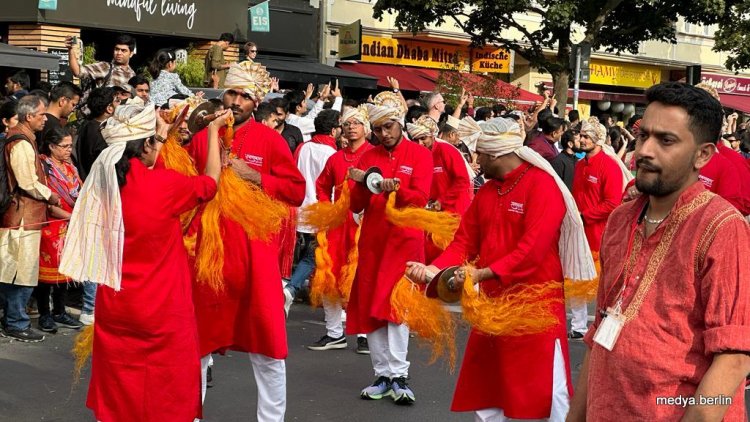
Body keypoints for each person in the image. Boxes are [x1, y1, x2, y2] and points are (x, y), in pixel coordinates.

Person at [567, 82, 750, 421]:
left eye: (666, 140)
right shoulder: (621, 218)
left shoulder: (722, 226)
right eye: (643, 136)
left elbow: (734, 357)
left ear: (703, 155)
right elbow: (601, 330)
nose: (644, 151)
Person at [407, 116, 596, 422]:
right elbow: (463, 244)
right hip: (492, 306)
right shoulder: (486, 191)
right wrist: (432, 269)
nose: (475, 160)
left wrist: (481, 274)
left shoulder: (543, 186)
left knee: (548, 393)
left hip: (536, 309)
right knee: (488, 388)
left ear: (495, 153)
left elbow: (530, 252)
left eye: (479, 153)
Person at [59, 97, 221, 421]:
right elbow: (211, 182)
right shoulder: (164, 186)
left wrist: (158, 137)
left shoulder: (103, 184)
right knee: (166, 393)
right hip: (163, 310)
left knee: (121, 393)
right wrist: (214, 131)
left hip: (117, 308)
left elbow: (142, 166)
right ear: (146, 144)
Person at [188, 61, 305, 422]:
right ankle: (188, 413)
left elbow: (297, 191)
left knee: (268, 348)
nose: (236, 101)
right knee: (195, 347)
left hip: (257, 260)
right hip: (208, 257)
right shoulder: (201, 135)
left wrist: (253, 174)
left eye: (245, 96)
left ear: (257, 103)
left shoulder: (270, 140)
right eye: (232, 93)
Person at [345, 93, 432, 405]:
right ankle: (382, 374)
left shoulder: (420, 156)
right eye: (379, 128)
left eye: (390, 126)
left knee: (397, 309)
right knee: (373, 306)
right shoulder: (368, 157)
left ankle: (399, 374)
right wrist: (358, 182)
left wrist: (396, 187)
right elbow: (356, 205)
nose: (385, 133)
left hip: (405, 243)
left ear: (402, 123)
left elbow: (421, 198)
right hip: (373, 242)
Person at [311, 106, 374, 354]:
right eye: (347, 123)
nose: (351, 127)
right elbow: (322, 186)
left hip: (365, 226)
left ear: (366, 128)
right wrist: (328, 211)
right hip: (337, 226)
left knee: (361, 277)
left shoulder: (375, 155)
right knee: (330, 276)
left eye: (356, 123)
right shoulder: (335, 158)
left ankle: (364, 334)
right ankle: (334, 332)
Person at [0, 95, 60, 342]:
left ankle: (12, 319)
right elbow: (26, 182)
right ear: (28, 117)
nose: (45, 119)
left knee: (12, 271)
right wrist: (51, 195)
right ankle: (16, 322)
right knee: (21, 273)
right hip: (22, 217)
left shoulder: (21, 138)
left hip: (21, 216)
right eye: (41, 115)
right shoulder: (21, 142)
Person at [570, 118, 629, 340]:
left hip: (600, 233)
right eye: (581, 136)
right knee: (576, 278)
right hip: (579, 232)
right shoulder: (579, 165)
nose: (581, 139)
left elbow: (613, 202)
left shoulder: (610, 166)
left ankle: (603, 324)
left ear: (597, 139)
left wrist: (585, 215)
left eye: (586, 136)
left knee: (603, 283)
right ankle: (578, 325)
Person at [285, 109, 340, 304]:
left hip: (299, 207)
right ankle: (292, 287)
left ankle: (296, 286)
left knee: (301, 253)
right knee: (313, 255)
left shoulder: (303, 147)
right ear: (333, 131)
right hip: (319, 210)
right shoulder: (333, 154)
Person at [33, 127, 83, 333]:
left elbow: (80, 189)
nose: (68, 150)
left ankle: (60, 311)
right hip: (52, 225)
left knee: (66, 271)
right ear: (52, 146)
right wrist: (69, 216)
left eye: (70, 146)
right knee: (47, 276)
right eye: (64, 146)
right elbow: (45, 199)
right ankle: (45, 314)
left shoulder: (70, 167)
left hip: (71, 224)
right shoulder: (44, 167)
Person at [67, 34, 136, 100]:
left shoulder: (132, 74)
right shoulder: (105, 67)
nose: (119, 53)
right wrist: (70, 49)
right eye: (117, 49)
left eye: (123, 51)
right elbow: (77, 71)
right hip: (97, 111)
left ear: (131, 54)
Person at [75, 87, 120, 180]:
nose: (121, 104)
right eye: (117, 101)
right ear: (109, 108)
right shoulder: (100, 133)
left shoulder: (88, 124)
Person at [36, 82, 81, 148]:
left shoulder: (40, 119)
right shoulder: (53, 126)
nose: (73, 109)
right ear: (62, 101)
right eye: (73, 105)